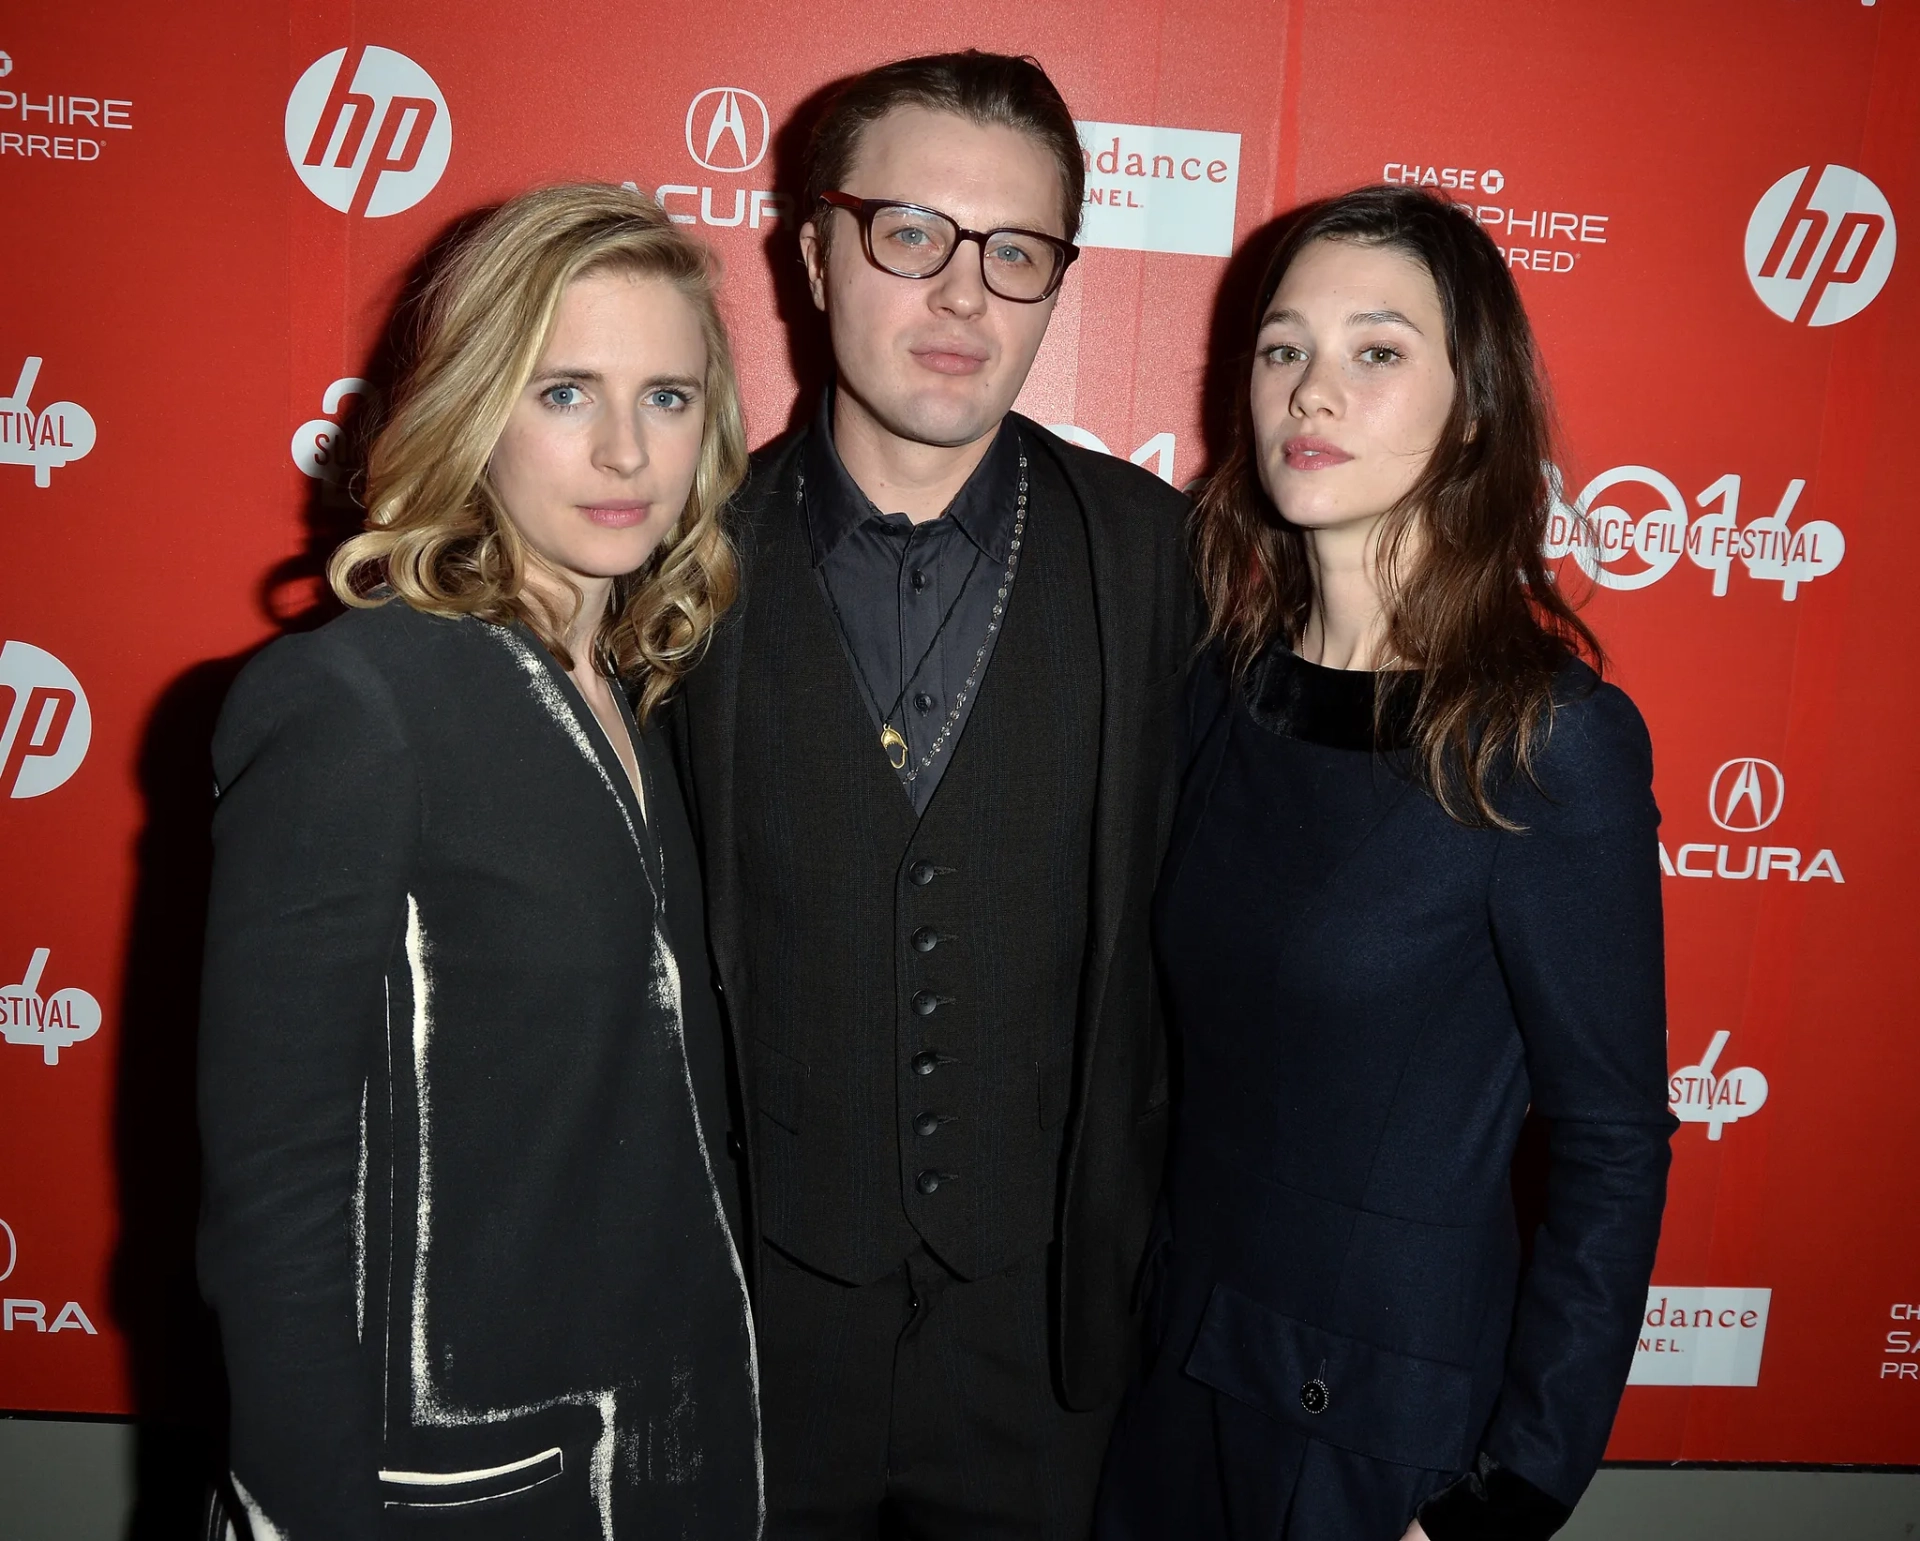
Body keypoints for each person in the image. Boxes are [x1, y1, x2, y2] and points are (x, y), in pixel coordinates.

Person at [669, 50, 1196, 1540]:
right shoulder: (671, 559)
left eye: (1015, 254)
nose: (963, 297)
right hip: (749, 1342)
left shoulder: (1171, 561)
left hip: (1053, 1364)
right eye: (911, 233)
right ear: (813, 250)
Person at [1094, 186, 1674, 1541]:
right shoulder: (1225, 692)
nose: (1312, 391)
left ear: (1472, 406)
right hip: (1170, 1390)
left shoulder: (1546, 743)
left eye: (1377, 351)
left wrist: (1508, 1496)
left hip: (1380, 1442)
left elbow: (1611, 1146)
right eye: (1284, 348)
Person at [197, 184, 762, 1541]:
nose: (627, 449)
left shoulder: (638, 693)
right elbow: (275, 1188)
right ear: (475, 409)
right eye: (567, 392)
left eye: (668, 398)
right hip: (443, 1490)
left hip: (660, 1460)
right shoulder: (360, 701)